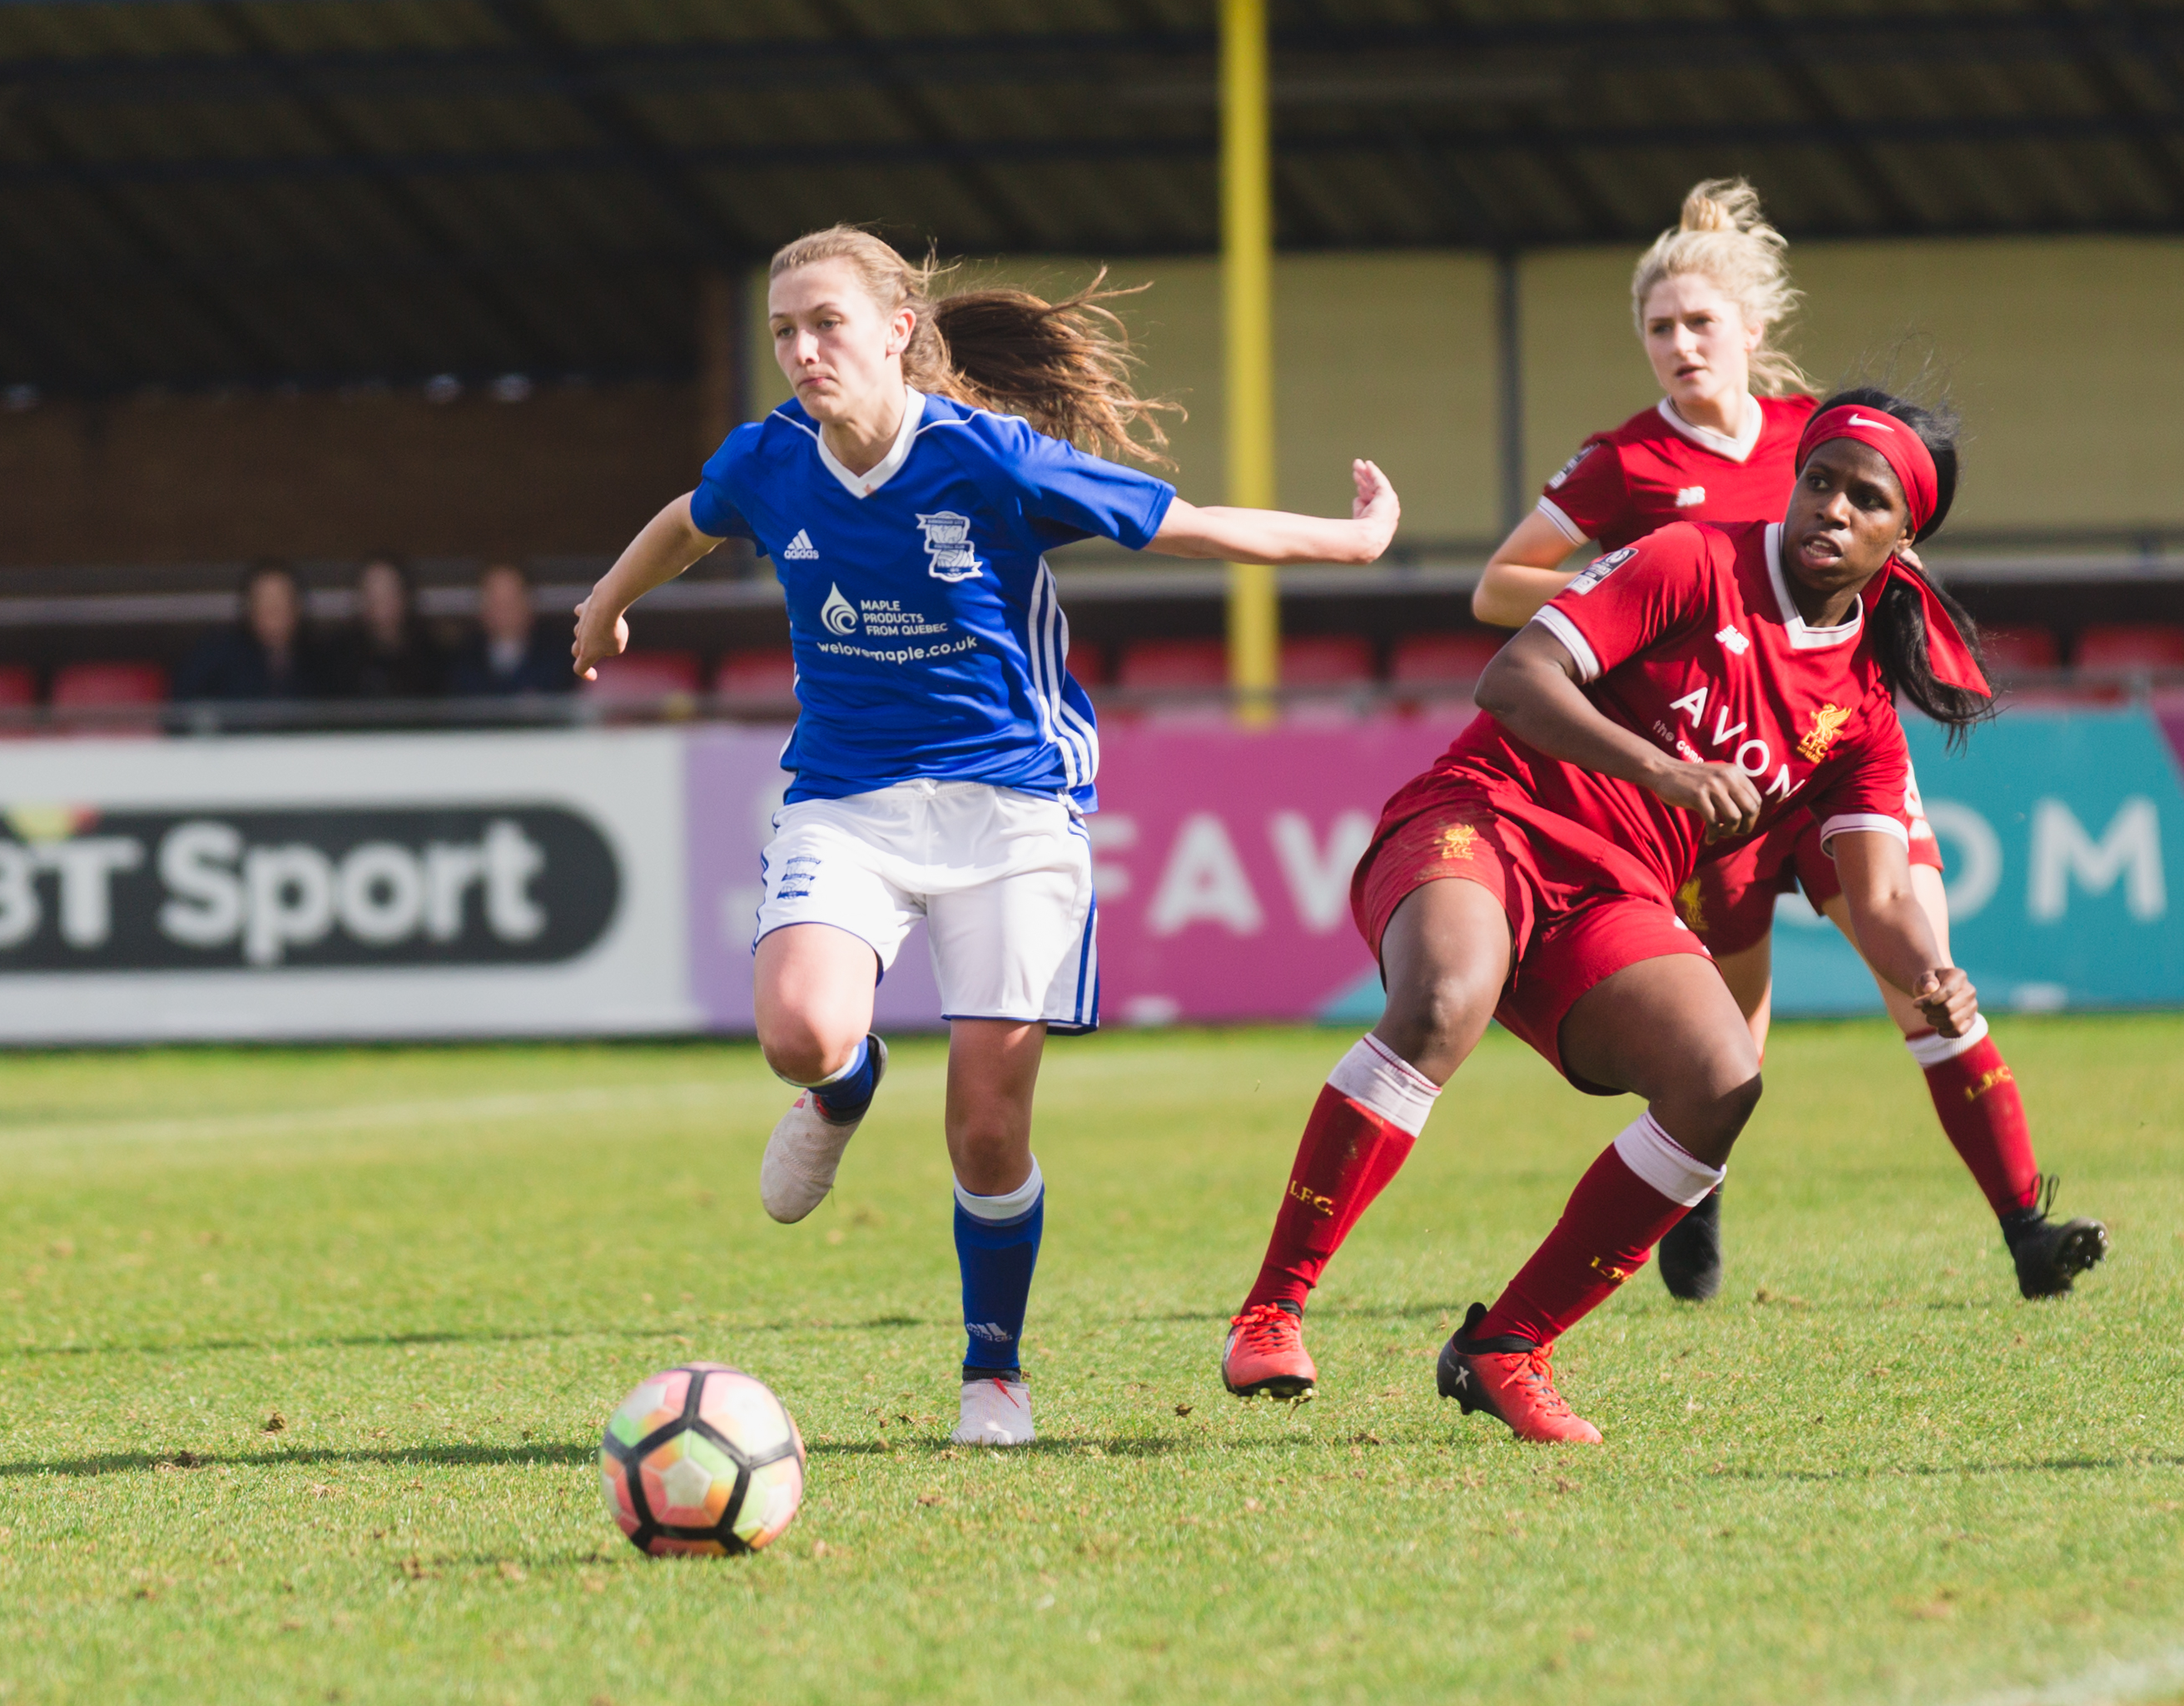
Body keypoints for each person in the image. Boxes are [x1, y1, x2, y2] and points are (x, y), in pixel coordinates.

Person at [573, 226, 1397, 1446]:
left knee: (991, 1125)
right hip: (847, 794)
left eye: (827, 324)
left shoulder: (991, 458)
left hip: (1012, 808)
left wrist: (1355, 541)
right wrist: (605, 603)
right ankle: (844, 1092)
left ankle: (992, 1370)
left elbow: (1188, 524)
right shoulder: (770, 459)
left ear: (899, 328)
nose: (802, 351)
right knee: (801, 1031)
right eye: (784, 331)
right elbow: (686, 520)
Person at [1224, 391, 2019, 1443]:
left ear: (1901, 535)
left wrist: (1932, 968)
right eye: (1818, 479)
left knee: (1721, 1081)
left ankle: (1507, 1347)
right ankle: (1272, 1310)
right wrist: (1664, 770)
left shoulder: (1864, 704)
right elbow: (1513, 678)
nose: (1828, 508)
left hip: (1616, 892)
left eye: (1862, 498)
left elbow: (1875, 894)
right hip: (1486, 813)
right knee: (1442, 999)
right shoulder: (1689, 558)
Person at [1469, 177, 2101, 1307]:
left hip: (1833, 737)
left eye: (1698, 322)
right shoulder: (1626, 464)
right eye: (1657, 328)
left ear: (1751, 331)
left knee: (1919, 965)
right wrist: (1631, 589)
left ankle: (2025, 1223)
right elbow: (1495, 591)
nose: (1677, 345)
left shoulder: (1826, 438)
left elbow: (1886, 546)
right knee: (1734, 1005)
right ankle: (1700, 1192)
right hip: (1721, 761)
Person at [175, 560, 325, 703]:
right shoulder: (217, 656)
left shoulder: (320, 661)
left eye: (282, 600)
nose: (274, 609)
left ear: (298, 606)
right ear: (249, 608)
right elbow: (185, 706)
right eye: (264, 600)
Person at [454, 561, 578, 698]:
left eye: (510, 602)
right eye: (496, 602)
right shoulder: (463, 658)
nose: (503, 612)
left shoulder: (557, 655)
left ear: (528, 603)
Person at [332, 555, 441, 699]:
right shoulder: (337, 661)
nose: (382, 604)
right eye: (373, 595)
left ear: (405, 596)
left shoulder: (433, 660)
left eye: (389, 593)